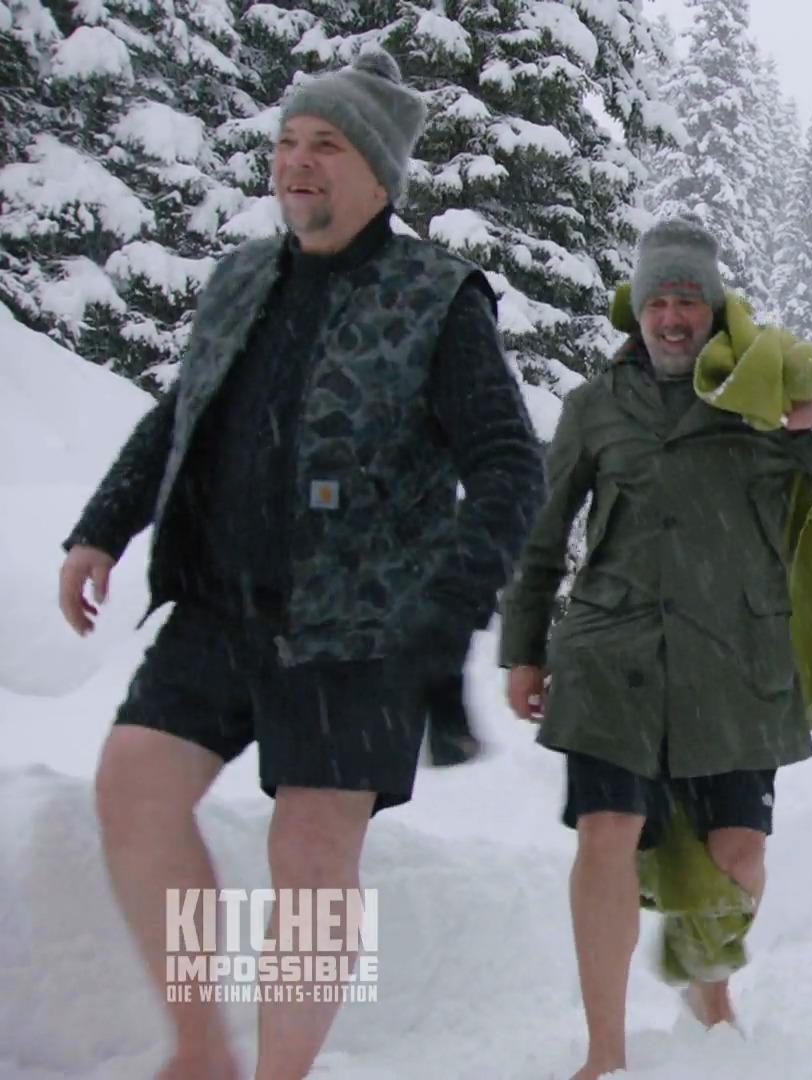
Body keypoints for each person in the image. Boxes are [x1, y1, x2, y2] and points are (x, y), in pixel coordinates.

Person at [55, 46, 545, 1080]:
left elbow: (507, 461)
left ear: (377, 173)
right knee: (135, 788)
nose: (297, 161)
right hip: (218, 610)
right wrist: (103, 527)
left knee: (315, 860)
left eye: (325, 144)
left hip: (363, 629)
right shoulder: (240, 279)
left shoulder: (438, 296)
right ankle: (201, 1049)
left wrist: (457, 594)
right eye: (286, 142)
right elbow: (180, 412)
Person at [499, 218, 812, 1080]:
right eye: (660, 300)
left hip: (737, 659)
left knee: (739, 857)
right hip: (614, 652)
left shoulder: (759, 398)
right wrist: (524, 649)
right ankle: (604, 1053)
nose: (674, 316)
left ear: (714, 307)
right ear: (637, 309)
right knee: (606, 832)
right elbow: (542, 536)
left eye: (690, 299)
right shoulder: (594, 407)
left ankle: (706, 987)